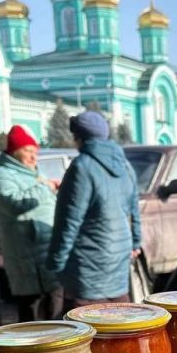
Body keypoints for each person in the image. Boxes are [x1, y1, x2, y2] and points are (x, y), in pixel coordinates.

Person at [48, 111, 140, 311]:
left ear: (78, 138)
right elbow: (134, 210)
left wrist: (55, 263)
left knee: (87, 334)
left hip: (87, 268)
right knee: (120, 328)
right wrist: (136, 242)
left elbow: (68, 222)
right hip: (119, 259)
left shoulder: (81, 167)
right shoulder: (125, 166)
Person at [0, 125, 61, 321]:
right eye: (28, 151)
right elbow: (13, 204)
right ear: (15, 151)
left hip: (47, 253)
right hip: (27, 259)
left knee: (56, 312)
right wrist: (46, 187)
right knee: (32, 315)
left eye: (35, 152)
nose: (33, 157)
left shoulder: (33, 172)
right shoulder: (2, 175)